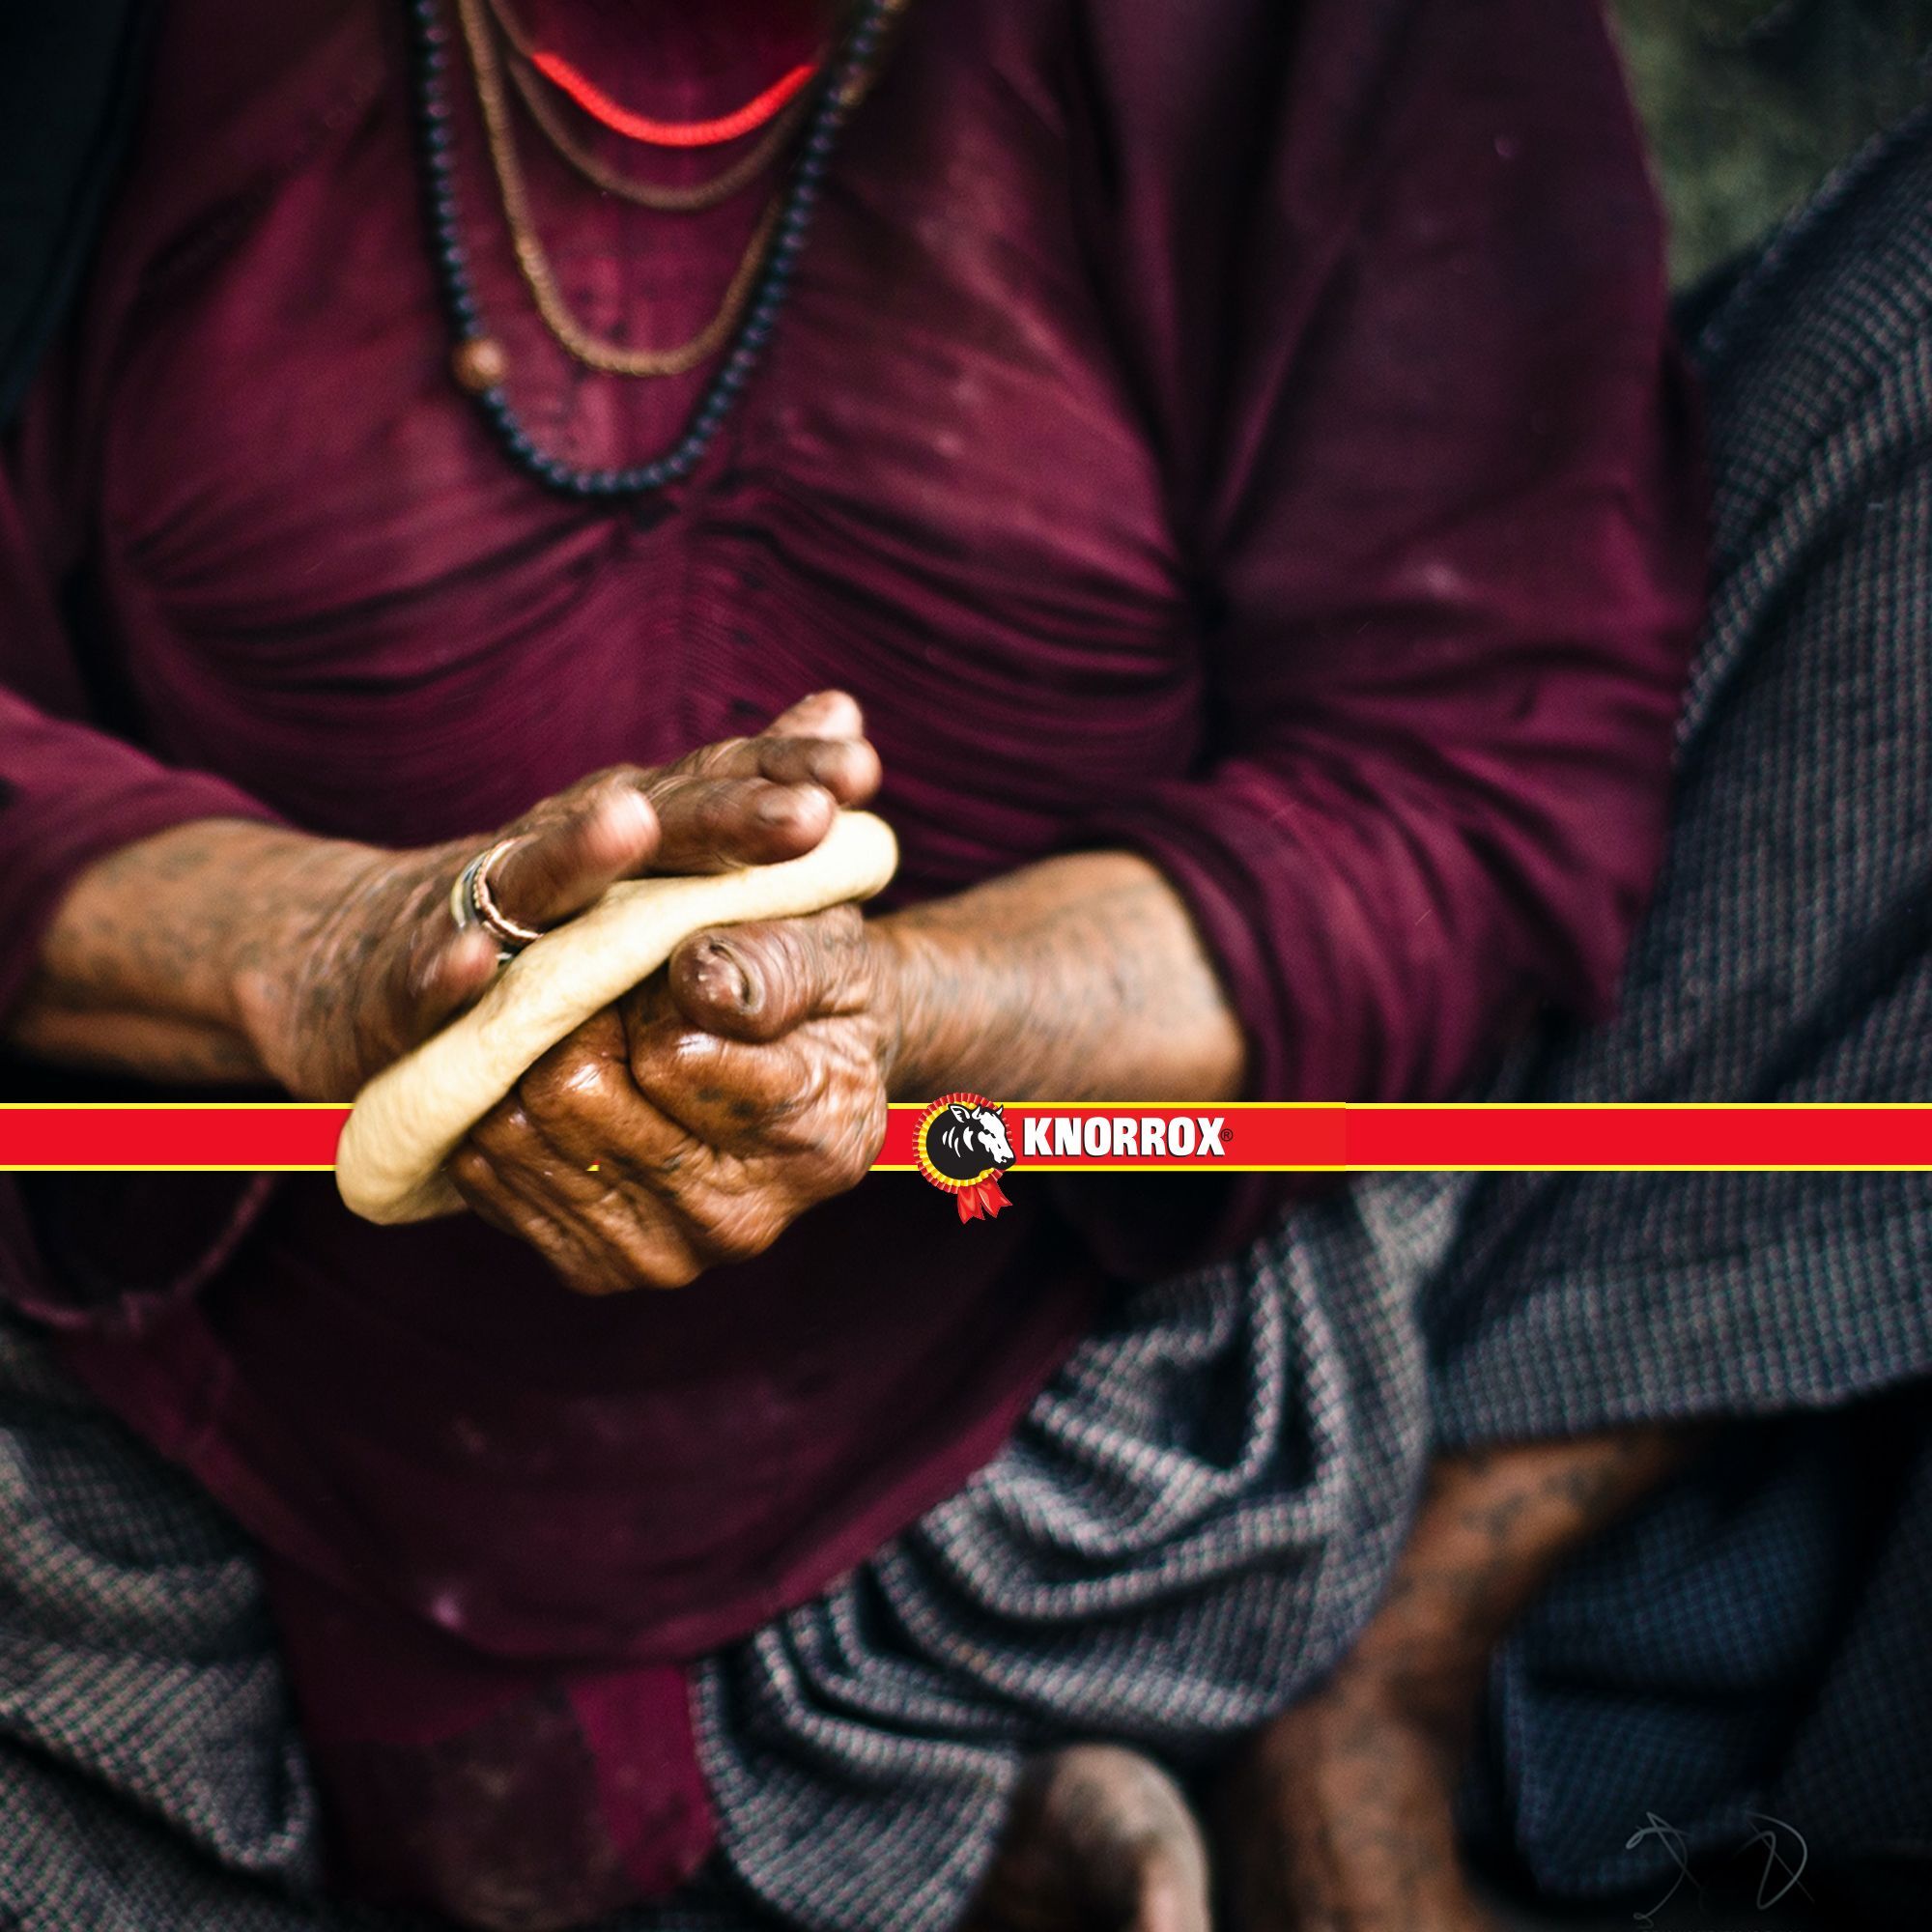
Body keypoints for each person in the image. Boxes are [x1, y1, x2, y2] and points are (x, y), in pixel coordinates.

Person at [10, 0, 1885, 1927]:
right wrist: (314, 952)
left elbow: (1464, 775)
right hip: (147, 1533)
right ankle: (927, 1845)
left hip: (1090, 1488)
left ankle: (1360, 1695)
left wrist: (912, 1019)